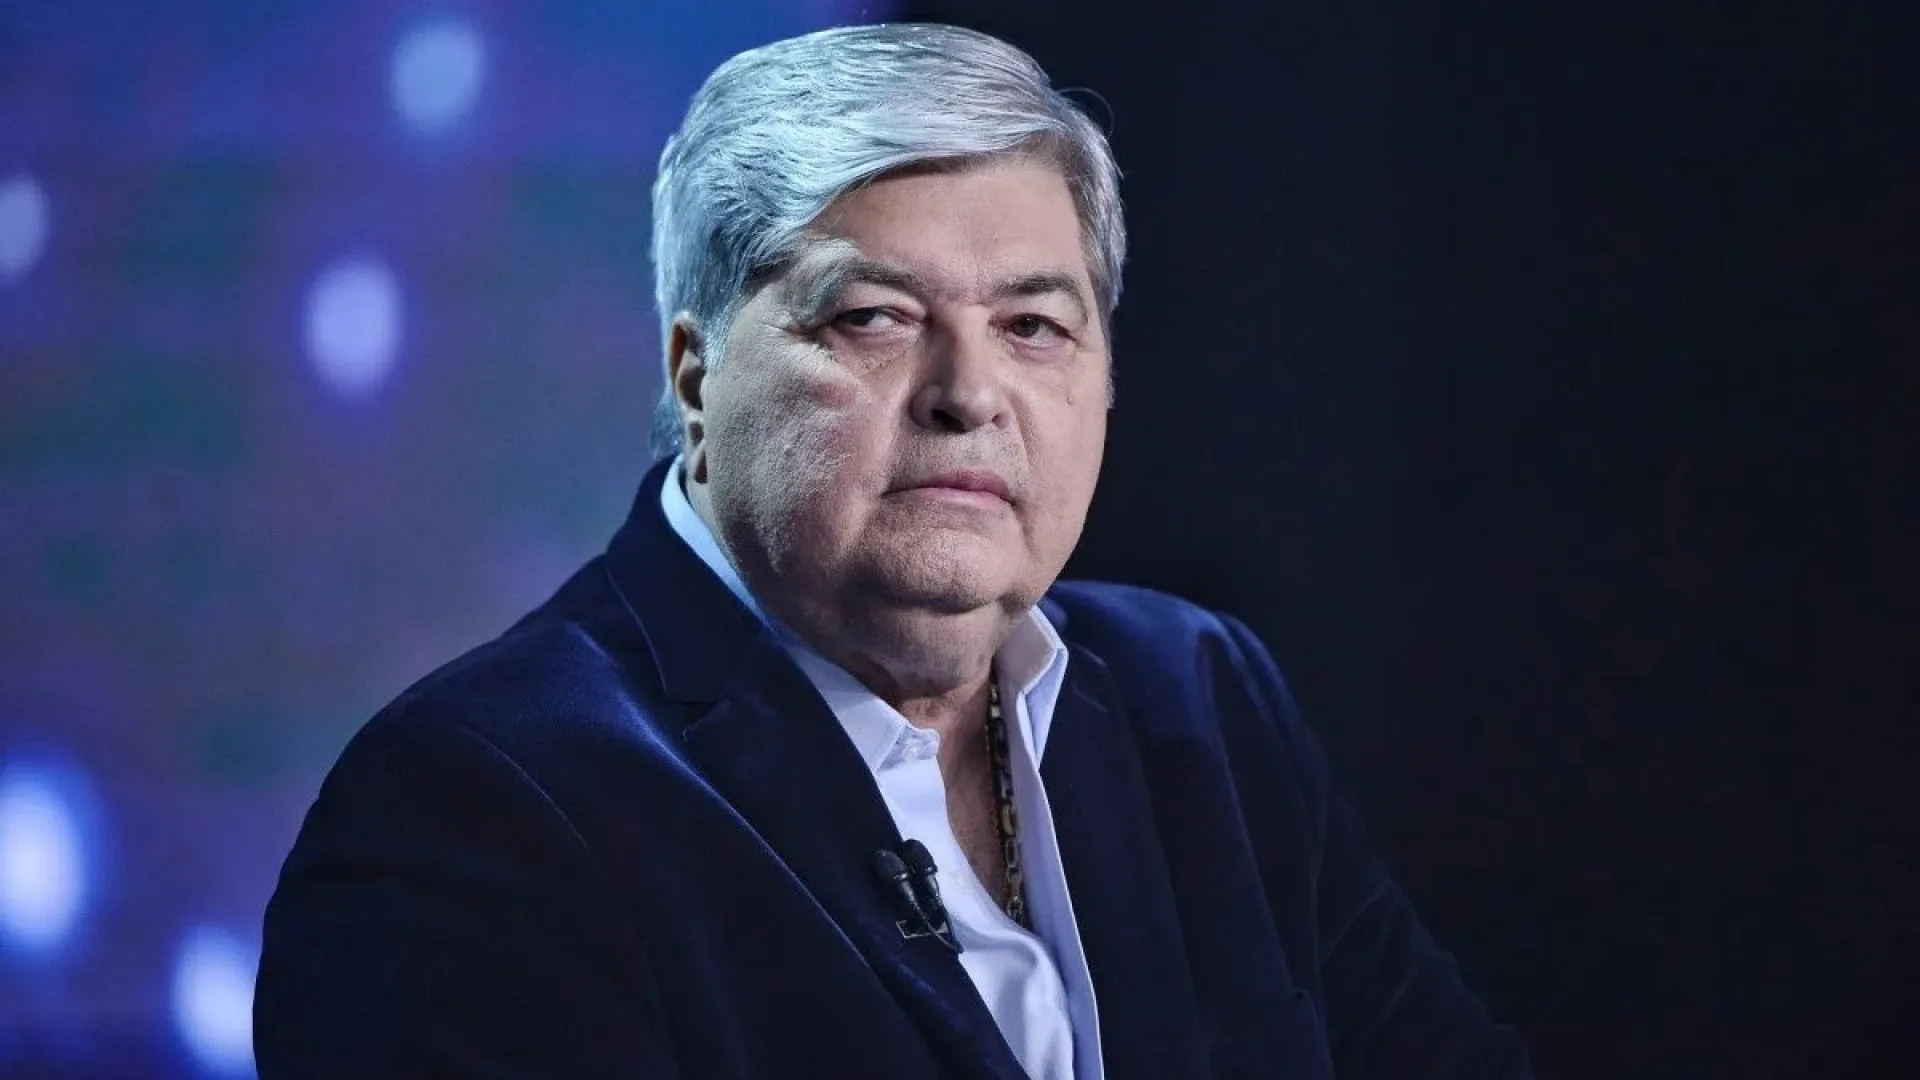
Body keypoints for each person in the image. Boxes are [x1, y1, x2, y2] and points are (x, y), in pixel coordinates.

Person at [254, 22, 1531, 1080]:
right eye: (875, 317)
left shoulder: (1202, 698)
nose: (968, 394)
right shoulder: (475, 810)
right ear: (695, 376)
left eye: (1033, 326)